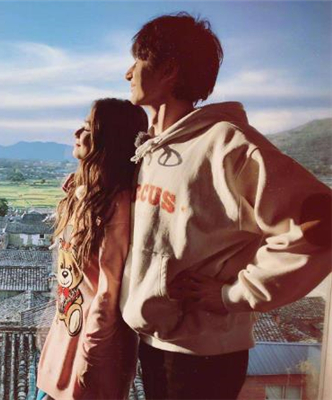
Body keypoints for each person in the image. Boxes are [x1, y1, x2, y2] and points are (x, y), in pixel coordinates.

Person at [120, 12, 332, 400]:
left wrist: (232, 294)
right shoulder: (153, 150)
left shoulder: (229, 145)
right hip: (155, 343)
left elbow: (322, 222)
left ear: (168, 69)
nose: (128, 73)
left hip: (205, 356)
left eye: (138, 60)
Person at [36, 98, 148, 400]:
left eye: (88, 128)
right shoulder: (86, 195)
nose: (76, 133)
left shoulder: (116, 205)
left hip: (92, 346)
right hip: (67, 334)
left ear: (109, 140)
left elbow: (108, 291)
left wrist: (91, 355)